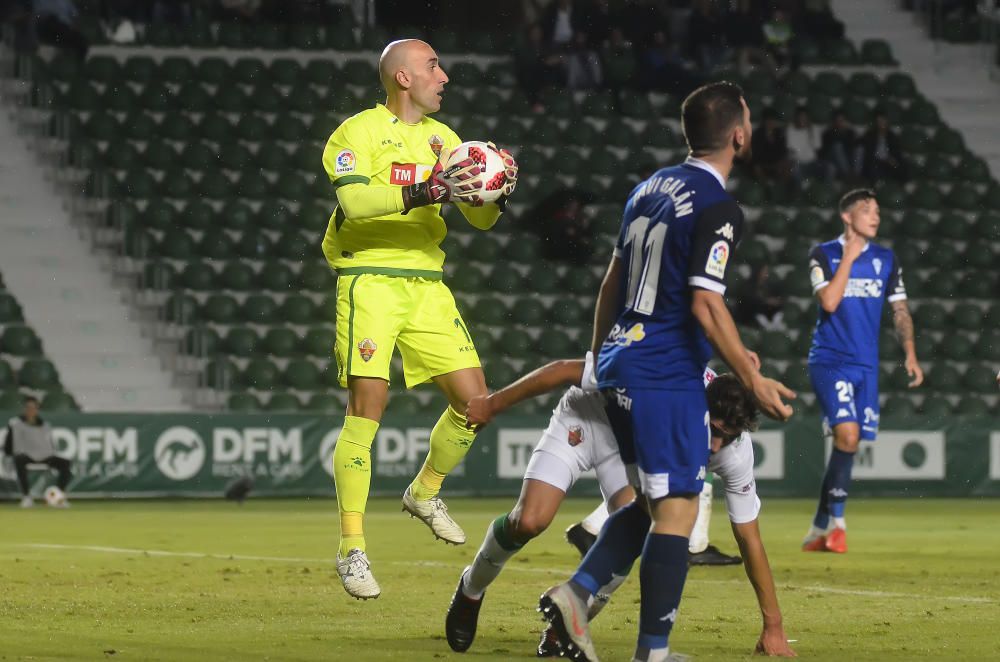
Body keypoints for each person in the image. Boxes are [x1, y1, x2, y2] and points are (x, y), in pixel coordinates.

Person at [538, 81, 795, 662]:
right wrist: (752, 381)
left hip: (623, 361)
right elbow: (706, 302)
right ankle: (648, 649)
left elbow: (612, 284)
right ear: (738, 133)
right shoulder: (718, 206)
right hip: (666, 373)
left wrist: (599, 359)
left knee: (648, 509)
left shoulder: (648, 189)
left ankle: (579, 596)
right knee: (678, 509)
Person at [321, 39, 518, 600]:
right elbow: (355, 206)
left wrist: (493, 189)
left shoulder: (447, 141)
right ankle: (352, 548)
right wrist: (425, 188)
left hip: (427, 284)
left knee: (476, 405)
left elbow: (478, 223)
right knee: (368, 410)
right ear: (402, 77)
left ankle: (424, 491)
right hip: (370, 278)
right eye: (434, 66)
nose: (445, 76)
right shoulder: (355, 133)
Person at [443, 356, 745, 654]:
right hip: (584, 418)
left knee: (632, 527)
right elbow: (562, 370)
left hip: (627, 443)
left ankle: (568, 624)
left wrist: (774, 623)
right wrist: (493, 404)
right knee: (529, 521)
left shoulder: (702, 409)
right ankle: (471, 588)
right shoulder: (651, 366)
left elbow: (747, 526)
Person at [803, 189, 922, 554]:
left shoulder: (887, 259)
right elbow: (829, 301)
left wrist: (910, 353)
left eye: (878, 211)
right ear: (847, 216)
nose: (875, 216)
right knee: (848, 438)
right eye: (867, 210)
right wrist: (850, 258)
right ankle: (838, 526)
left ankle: (818, 528)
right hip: (830, 361)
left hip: (866, 367)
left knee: (847, 445)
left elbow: (900, 311)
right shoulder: (823, 253)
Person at [3, 396, 71, 508]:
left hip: (45, 456)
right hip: (25, 455)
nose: (31, 410)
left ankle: (59, 497)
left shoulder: (45, 425)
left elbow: (50, 445)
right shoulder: (15, 424)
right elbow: (9, 446)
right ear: (25, 409)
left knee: (65, 463)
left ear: (37, 409)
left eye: (33, 407)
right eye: (28, 407)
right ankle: (26, 497)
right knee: (19, 460)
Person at [859, 109, 906, 183]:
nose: (881, 123)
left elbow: (896, 151)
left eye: (883, 121)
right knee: (874, 167)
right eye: (879, 121)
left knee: (902, 165)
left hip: (888, 162)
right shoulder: (870, 135)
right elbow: (867, 151)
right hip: (875, 162)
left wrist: (893, 159)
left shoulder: (891, 136)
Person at [819, 109, 857, 180]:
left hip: (846, 159)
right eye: (838, 120)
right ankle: (848, 175)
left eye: (842, 120)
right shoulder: (827, 133)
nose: (840, 123)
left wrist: (845, 132)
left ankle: (853, 174)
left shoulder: (850, 132)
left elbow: (851, 149)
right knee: (837, 146)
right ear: (834, 121)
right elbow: (825, 151)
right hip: (832, 159)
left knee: (859, 149)